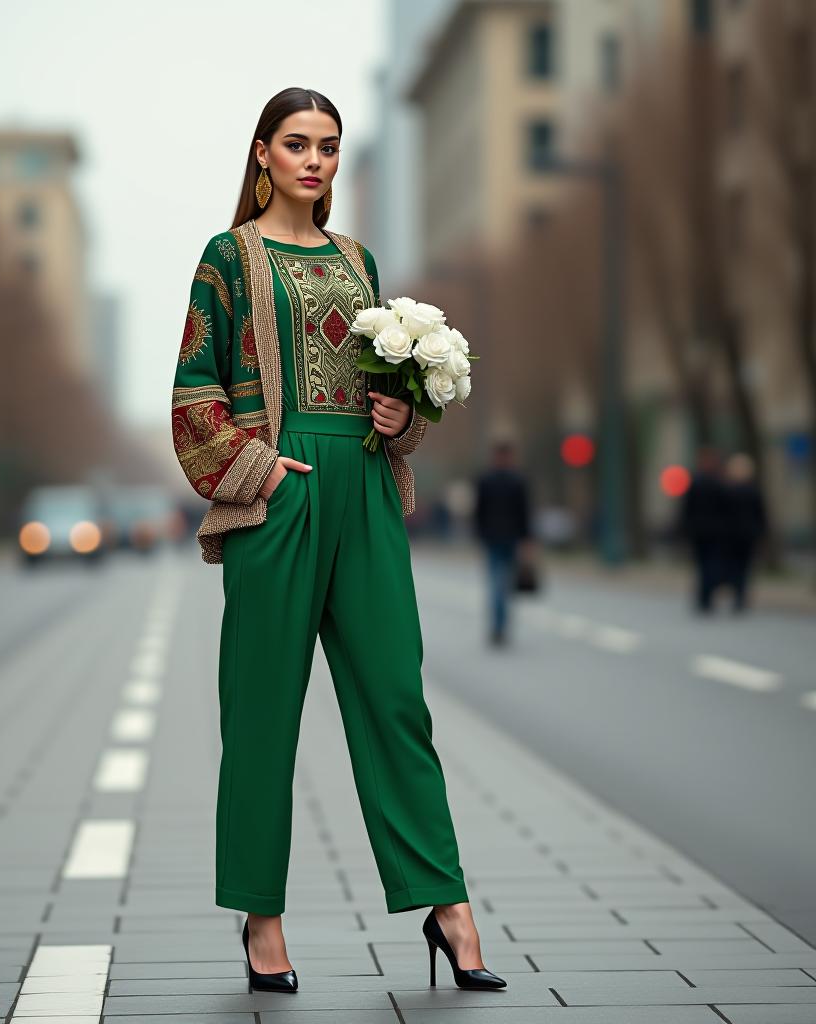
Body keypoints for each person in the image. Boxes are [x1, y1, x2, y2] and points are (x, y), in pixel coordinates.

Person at [170, 87, 505, 995]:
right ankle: (262, 920)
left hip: (363, 492)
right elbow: (195, 386)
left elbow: (382, 392)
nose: (314, 161)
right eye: (296, 144)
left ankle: (446, 903)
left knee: (396, 696)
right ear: (262, 156)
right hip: (278, 496)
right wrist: (260, 470)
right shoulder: (228, 258)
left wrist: (402, 415)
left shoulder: (358, 261)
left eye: (327, 146)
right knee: (263, 713)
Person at [473, 437, 533, 646]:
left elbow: (478, 512)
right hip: (509, 537)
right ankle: (501, 625)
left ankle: (498, 626)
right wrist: (527, 540)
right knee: (503, 584)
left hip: (494, 537)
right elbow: (524, 514)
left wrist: (479, 535)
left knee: (497, 583)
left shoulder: (485, 479)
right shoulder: (518, 480)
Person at [677, 445, 726, 613]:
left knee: (704, 564)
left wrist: (684, 528)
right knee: (708, 564)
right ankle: (706, 596)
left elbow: (686, 508)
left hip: (702, 531)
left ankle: (704, 596)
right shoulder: (719, 482)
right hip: (712, 531)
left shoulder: (697, 482)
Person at [722, 452, 766, 612]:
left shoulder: (727, 491)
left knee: (733, 565)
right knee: (745, 567)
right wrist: (760, 532)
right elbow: (760, 514)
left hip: (731, 536)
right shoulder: (753, 491)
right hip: (748, 535)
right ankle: (740, 596)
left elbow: (722, 514)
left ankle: (735, 592)